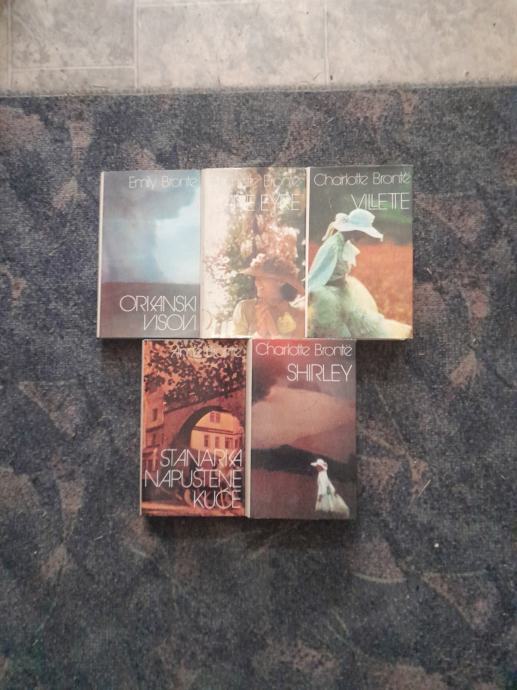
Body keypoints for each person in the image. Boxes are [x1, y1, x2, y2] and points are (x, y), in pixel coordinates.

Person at [307, 209, 412, 339]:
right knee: (341, 335)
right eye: (362, 232)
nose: (363, 236)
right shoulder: (332, 246)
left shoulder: (344, 244)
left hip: (342, 293)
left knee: (363, 328)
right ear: (354, 229)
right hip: (328, 298)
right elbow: (316, 272)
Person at [232, 254, 305, 337]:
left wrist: (273, 332)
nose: (257, 283)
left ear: (281, 281)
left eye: (261, 278)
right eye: (256, 278)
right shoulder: (245, 308)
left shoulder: (299, 315)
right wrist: (260, 334)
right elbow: (236, 343)